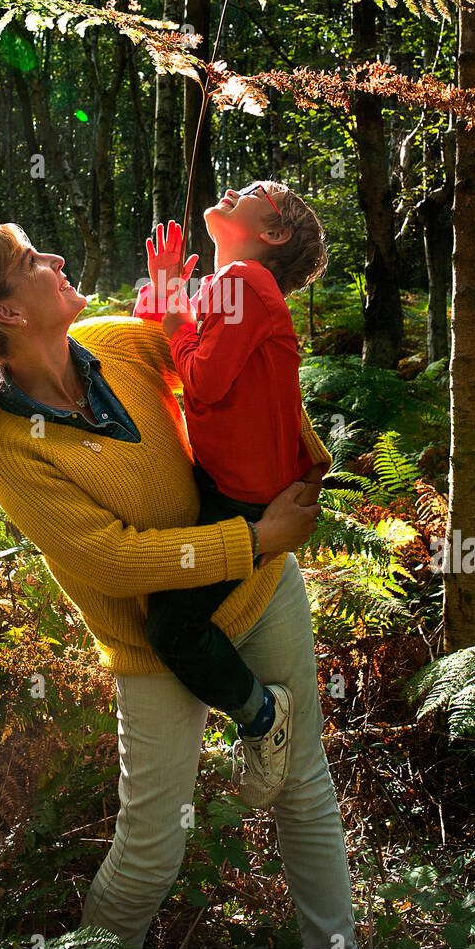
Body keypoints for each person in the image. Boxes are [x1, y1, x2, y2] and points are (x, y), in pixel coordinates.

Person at [0, 221, 356, 949]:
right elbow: (110, 559)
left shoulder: (120, 341)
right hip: (157, 642)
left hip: (259, 589)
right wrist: (253, 537)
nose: (57, 257)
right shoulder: (5, 442)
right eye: (34, 260)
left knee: (303, 790)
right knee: (153, 845)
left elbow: (239, 380)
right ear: (7, 312)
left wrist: (302, 465)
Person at [135, 185, 328, 810]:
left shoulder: (243, 280)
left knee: (171, 629)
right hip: (235, 490)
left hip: (242, 504)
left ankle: (259, 715)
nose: (232, 191)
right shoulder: (236, 288)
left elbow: (202, 377)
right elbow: (178, 350)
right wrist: (168, 298)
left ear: (269, 233)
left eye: (252, 193)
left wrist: (171, 311)